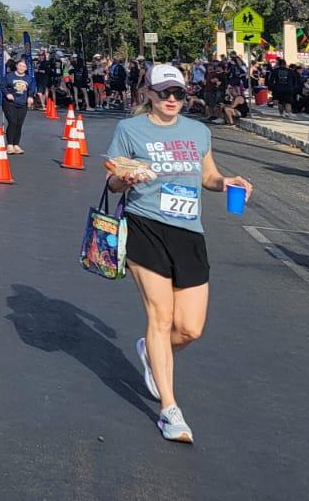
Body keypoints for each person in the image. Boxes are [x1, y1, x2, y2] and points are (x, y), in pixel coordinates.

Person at [104, 64, 252, 444]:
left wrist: (226, 182)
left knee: (189, 328)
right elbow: (112, 182)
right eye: (164, 92)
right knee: (161, 316)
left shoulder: (198, 132)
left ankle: (150, 351)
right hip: (145, 228)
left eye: (178, 94)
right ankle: (170, 410)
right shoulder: (129, 130)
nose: (172, 100)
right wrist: (126, 178)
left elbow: (208, 177)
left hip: (188, 234)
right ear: (148, 93)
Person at [0, 56, 33, 155]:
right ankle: (10, 145)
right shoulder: (9, 76)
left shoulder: (29, 78)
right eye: (20, 66)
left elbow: (31, 89)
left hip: (22, 103)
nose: (21, 68)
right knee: (12, 122)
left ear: (26, 68)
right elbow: (2, 86)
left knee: (19, 124)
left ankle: (16, 145)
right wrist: (7, 94)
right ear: (16, 66)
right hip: (10, 103)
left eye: (24, 66)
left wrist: (30, 97)